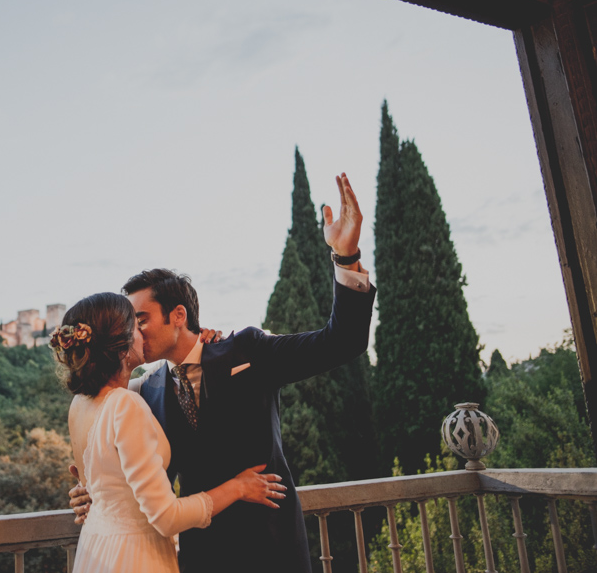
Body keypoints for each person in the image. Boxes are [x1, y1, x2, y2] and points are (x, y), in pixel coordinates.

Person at [70, 173, 376, 573]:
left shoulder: (248, 350)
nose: (134, 332)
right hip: (200, 557)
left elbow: (341, 342)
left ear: (178, 316)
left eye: (141, 319)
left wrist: (346, 258)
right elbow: (131, 471)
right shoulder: (144, 392)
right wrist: (89, 492)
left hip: (272, 550)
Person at [55, 292, 287, 573]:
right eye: (136, 327)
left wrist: (209, 346)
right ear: (122, 346)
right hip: (135, 557)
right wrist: (238, 487)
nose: (143, 334)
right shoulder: (126, 404)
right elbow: (166, 517)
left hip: (96, 550)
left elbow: (103, 480)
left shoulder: (80, 404)